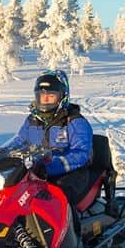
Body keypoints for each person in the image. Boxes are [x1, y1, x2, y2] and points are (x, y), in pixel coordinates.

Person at [11, 70, 94, 208]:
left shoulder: (74, 122)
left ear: (62, 97)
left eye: (51, 96)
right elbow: (19, 142)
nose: (46, 100)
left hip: (71, 172)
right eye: (42, 96)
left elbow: (81, 153)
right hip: (37, 172)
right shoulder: (32, 121)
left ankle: (71, 228)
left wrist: (51, 166)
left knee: (58, 198)